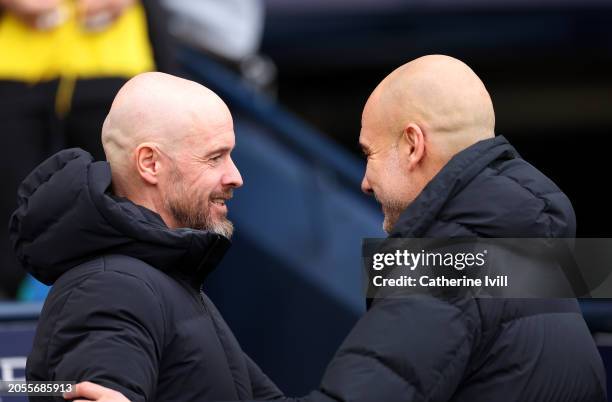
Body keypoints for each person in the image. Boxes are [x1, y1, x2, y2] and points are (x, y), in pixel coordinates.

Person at [67, 55, 607, 402]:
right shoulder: (534, 260)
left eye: (369, 154)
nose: (365, 182)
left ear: (414, 145)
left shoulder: (443, 267)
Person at [9, 72, 282, 401]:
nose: (235, 176)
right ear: (150, 163)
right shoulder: (111, 289)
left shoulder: (165, 280)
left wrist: (367, 273)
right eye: (215, 158)